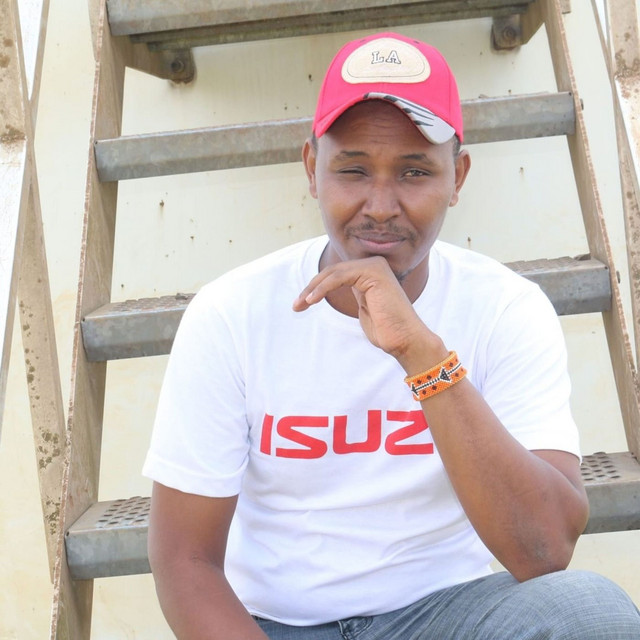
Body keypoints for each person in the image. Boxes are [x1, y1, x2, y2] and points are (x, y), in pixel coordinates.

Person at [143, 32, 640, 639]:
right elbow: (184, 561)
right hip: (278, 625)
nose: (380, 206)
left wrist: (422, 356)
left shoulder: (505, 308)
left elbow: (545, 549)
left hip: (446, 615)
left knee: (590, 613)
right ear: (312, 169)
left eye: (414, 171)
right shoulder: (230, 314)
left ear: (457, 177)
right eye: (353, 170)